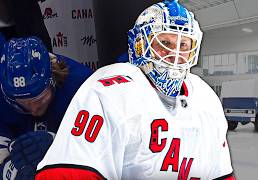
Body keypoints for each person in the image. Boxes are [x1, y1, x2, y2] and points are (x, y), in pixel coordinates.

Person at [36, 0, 235, 179]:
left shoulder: (205, 97)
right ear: (140, 45)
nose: (175, 55)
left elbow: (221, 175)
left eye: (183, 44)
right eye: (164, 43)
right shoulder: (109, 92)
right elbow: (66, 174)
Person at [0, 37, 93, 180]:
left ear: (52, 80)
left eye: (39, 99)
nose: (34, 109)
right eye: (23, 103)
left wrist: (59, 145)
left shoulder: (84, 86)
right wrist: (9, 171)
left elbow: (101, 151)